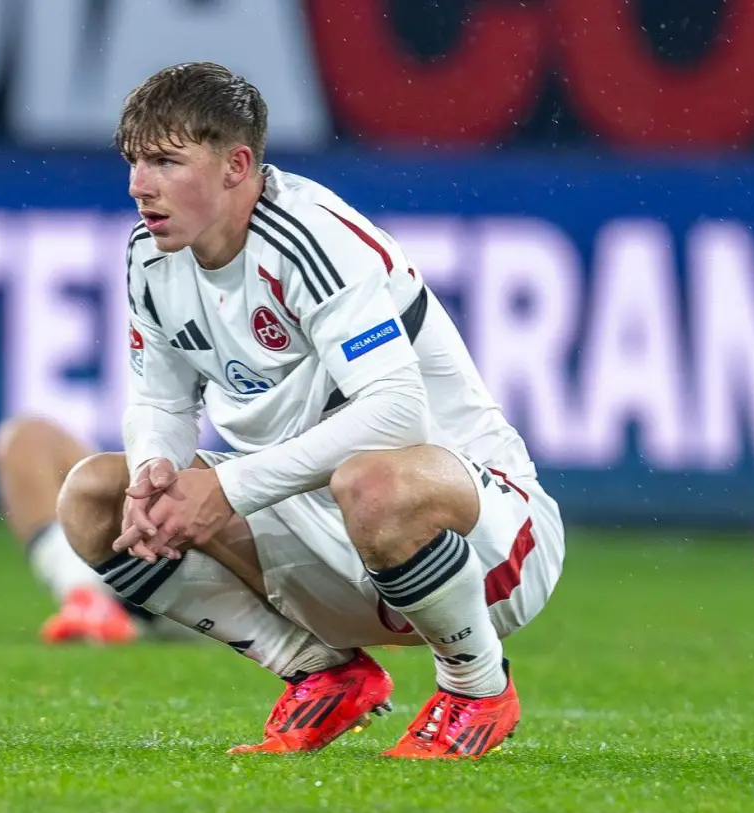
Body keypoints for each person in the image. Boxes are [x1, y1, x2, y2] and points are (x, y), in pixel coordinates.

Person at [56, 62, 565, 759]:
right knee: (94, 497)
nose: (139, 185)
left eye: (167, 162)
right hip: (321, 533)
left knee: (371, 479)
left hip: (487, 542)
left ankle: (477, 686)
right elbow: (158, 397)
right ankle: (319, 673)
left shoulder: (309, 237)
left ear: (237, 165)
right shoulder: (151, 256)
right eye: (136, 161)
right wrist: (155, 472)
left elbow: (397, 414)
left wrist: (227, 488)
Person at [0, 415, 191, 644]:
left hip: (215, 575)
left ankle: (89, 597)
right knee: (28, 438)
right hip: (142, 541)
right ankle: (87, 596)